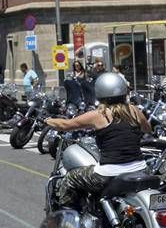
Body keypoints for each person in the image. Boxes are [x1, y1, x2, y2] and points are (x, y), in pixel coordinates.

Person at [45, 72, 151, 210]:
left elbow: (66, 125)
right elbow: (147, 129)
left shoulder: (98, 115)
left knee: (70, 178)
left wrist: (48, 120)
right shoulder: (134, 110)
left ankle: (68, 218)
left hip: (109, 173)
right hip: (141, 169)